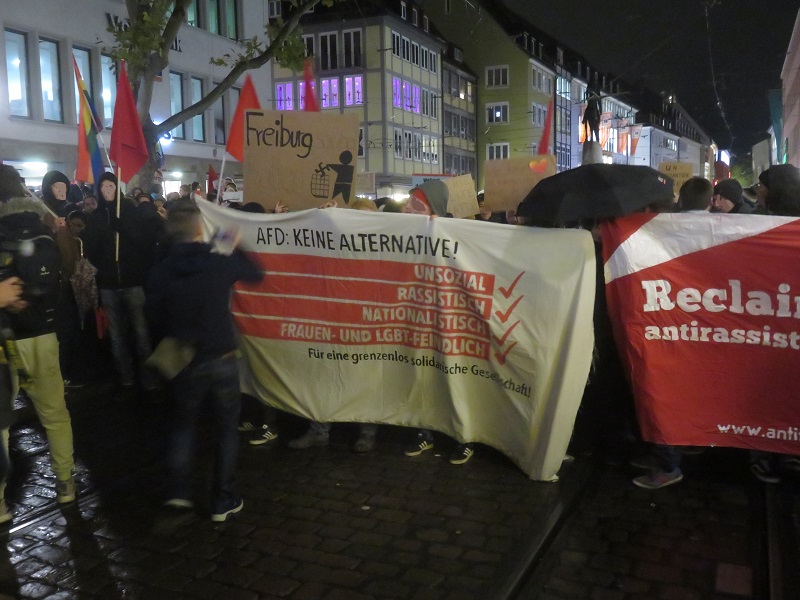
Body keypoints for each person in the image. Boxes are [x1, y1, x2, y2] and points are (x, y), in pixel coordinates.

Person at [145, 203, 263, 521]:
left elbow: (153, 314)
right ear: (200, 228)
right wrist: (235, 245)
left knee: (183, 426)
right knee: (226, 429)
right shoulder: (216, 260)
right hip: (221, 356)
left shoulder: (162, 269)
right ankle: (223, 500)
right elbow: (255, 274)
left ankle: (179, 493)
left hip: (184, 358)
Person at [0, 166, 76, 504]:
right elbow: (67, 272)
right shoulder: (42, 228)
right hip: (43, 333)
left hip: (5, 340)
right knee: (55, 414)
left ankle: (0, 502)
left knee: (1, 422)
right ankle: (65, 483)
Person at [401, 180, 474, 465]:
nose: (407, 209)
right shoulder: (403, 230)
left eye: (415, 205)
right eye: (408, 203)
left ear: (432, 208)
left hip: (451, 322)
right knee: (423, 379)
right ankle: (424, 432)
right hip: (418, 320)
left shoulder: (456, 233)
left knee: (455, 381)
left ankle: (464, 437)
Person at [84, 172, 156, 391]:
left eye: (111, 186)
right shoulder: (95, 216)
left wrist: (121, 227)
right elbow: (91, 251)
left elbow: (143, 243)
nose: (107, 190)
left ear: (117, 188)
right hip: (108, 285)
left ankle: (148, 379)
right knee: (117, 338)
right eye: (104, 186)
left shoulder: (129, 212)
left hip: (132, 282)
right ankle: (126, 379)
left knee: (142, 335)